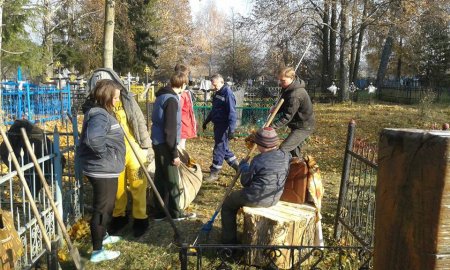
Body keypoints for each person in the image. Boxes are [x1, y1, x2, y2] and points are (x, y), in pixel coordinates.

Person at [83, 68, 152, 238]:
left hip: (133, 147)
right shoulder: (94, 106)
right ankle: (119, 217)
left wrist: (146, 146)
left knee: (138, 183)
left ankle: (140, 218)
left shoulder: (126, 98)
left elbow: (139, 121)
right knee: (118, 188)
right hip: (114, 152)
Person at [77, 79, 125, 263]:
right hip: (102, 169)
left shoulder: (101, 112)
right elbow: (93, 139)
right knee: (103, 209)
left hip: (104, 168)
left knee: (107, 206)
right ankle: (97, 251)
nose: (117, 101)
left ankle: (103, 235)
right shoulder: (99, 115)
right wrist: (107, 155)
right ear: (107, 96)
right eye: (116, 97)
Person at [221, 127, 290, 244]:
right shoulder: (285, 155)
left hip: (255, 197)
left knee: (228, 204)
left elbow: (245, 181)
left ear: (261, 145)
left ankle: (229, 243)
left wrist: (243, 167)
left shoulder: (258, 160)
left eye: (257, 143)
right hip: (274, 197)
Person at [151, 72, 196, 221]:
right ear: (183, 85)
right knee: (172, 179)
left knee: (160, 177)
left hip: (157, 142)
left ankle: (159, 212)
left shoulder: (161, 96)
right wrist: (174, 154)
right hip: (165, 144)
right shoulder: (171, 100)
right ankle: (176, 212)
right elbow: (169, 130)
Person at [270, 67, 315, 158]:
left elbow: (287, 116)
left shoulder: (295, 95)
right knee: (294, 153)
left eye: (283, 81)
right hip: (298, 124)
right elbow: (286, 105)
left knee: (284, 148)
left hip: (304, 127)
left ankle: (283, 169)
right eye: (280, 80)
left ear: (292, 78)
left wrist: (272, 127)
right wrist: (277, 109)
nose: (280, 83)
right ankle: (296, 170)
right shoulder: (289, 89)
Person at [202, 74, 239, 182]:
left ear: (221, 82)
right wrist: (206, 121)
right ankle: (240, 168)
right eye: (212, 85)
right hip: (218, 126)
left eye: (214, 85)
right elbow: (214, 110)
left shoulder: (227, 93)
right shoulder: (217, 93)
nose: (213, 87)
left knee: (219, 149)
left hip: (224, 127)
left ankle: (214, 173)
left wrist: (231, 130)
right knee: (224, 149)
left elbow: (232, 113)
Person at [174, 64, 197, 150]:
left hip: (183, 124)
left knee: (181, 147)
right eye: (187, 75)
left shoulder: (184, 91)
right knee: (179, 149)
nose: (189, 78)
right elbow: (176, 111)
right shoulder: (180, 93)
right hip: (180, 126)